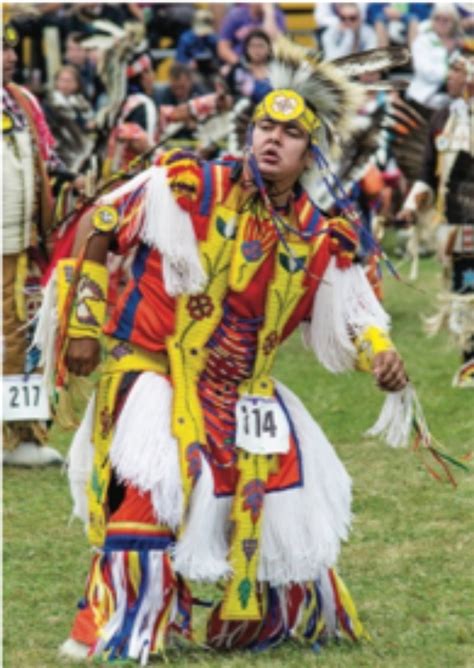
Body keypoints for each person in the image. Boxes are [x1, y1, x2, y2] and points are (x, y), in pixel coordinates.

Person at [45, 38, 409, 663]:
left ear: (309, 149)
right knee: (156, 487)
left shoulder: (320, 236)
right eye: (265, 125)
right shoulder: (190, 185)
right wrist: (83, 322)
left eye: (290, 133)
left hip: (247, 389)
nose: (273, 139)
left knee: (284, 498)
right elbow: (98, 225)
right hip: (157, 368)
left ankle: (268, 619)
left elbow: (356, 315)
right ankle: (126, 623)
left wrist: (379, 353)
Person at [2, 23, 65, 466]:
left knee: (26, 334)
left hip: (25, 242)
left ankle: (23, 434)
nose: (9, 58)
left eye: (10, 50)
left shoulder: (24, 102)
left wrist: (69, 187)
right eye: (1, 51)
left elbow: (51, 158)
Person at [398, 45, 474, 387]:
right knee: (462, 291)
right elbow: (428, 174)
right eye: (450, 69)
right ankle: (469, 360)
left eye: (457, 70)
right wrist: (411, 204)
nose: (451, 76)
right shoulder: (441, 118)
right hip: (455, 222)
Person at [406, 3, 463, 111]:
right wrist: (449, 75)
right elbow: (423, 69)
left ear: (454, 23)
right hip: (422, 100)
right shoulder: (423, 40)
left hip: (450, 102)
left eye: (446, 20)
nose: (441, 22)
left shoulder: (460, 44)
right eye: (437, 18)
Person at [218, 3, 286, 66]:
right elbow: (223, 48)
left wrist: (269, 14)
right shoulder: (236, 15)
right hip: (240, 60)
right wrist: (238, 65)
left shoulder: (276, 15)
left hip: (269, 64)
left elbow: (274, 39)